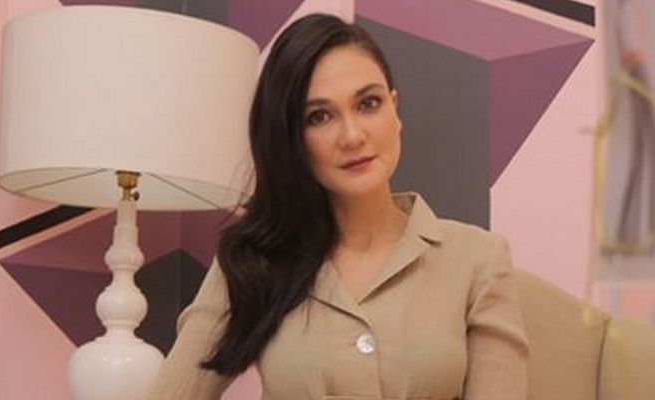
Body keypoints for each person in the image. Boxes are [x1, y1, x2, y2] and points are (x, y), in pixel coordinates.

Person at [146, 13, 529, 400]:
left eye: (368, 103)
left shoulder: (478, 258)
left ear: (395, 110)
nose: (352, 135)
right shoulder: (252, 261)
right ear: (291, 137)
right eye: (319, 117)